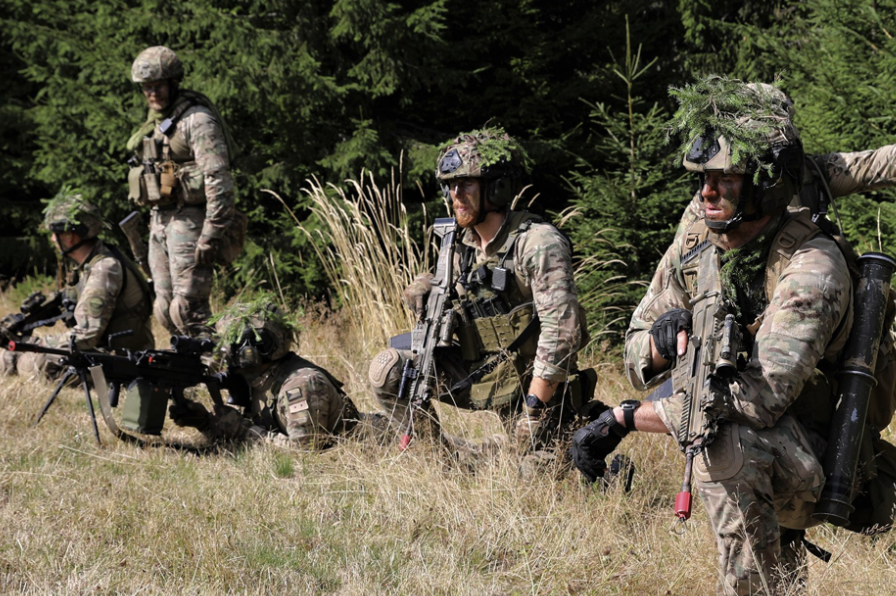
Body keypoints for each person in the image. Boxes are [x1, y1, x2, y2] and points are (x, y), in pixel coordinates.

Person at [571, 77, 859, 594]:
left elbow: (759, 400)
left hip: (821, 459)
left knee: (722, 440)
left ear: (767, 183)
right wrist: (661, 341)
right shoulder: (700, 238)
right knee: (720, 432)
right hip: (762, 437)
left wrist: (628, 416)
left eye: (726, 178)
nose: (707, 191)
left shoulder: (812, 266)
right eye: (704, 176)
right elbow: (634, 347)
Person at [368, 127, 599, 459]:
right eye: (450, 185)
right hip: (486, 374)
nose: (455, 195)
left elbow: (563, 331)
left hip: (537, 391)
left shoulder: (537, 243)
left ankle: (524, 449)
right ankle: (441, 461)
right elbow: (470, 289)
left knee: (530, 478)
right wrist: (428, 285)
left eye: (466, 184)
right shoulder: (462, 245)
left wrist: (533, 411)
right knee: (389, 369)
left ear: (497, 187)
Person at [127, 46, 237, 338]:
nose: (153, 94)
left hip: (191, 222)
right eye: (146, 88)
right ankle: (189, 374)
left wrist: (211, 234)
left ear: (174, 82)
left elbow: (219, 180)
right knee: (164, 309)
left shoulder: (197, 120)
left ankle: (221, 370)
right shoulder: (160, 121)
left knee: (188, 309)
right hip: (160, 221)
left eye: (158, 86)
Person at [169, 299, 365, 448]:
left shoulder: (301, 385)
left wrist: (242, 430)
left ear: (250, 349)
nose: (224, 351)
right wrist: (205, 422)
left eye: (229, 344)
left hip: (379, 441)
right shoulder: (260, 379)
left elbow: (305, 453)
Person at [1, 192, 154, 377]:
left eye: (54, 234)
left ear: (69, 236)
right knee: (14, 355)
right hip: (108, 357)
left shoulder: (104, 269)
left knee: (28, 361)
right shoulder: (91, 264)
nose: (52, 239)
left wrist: (35, 342)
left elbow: (86, 336)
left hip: (120, 364)